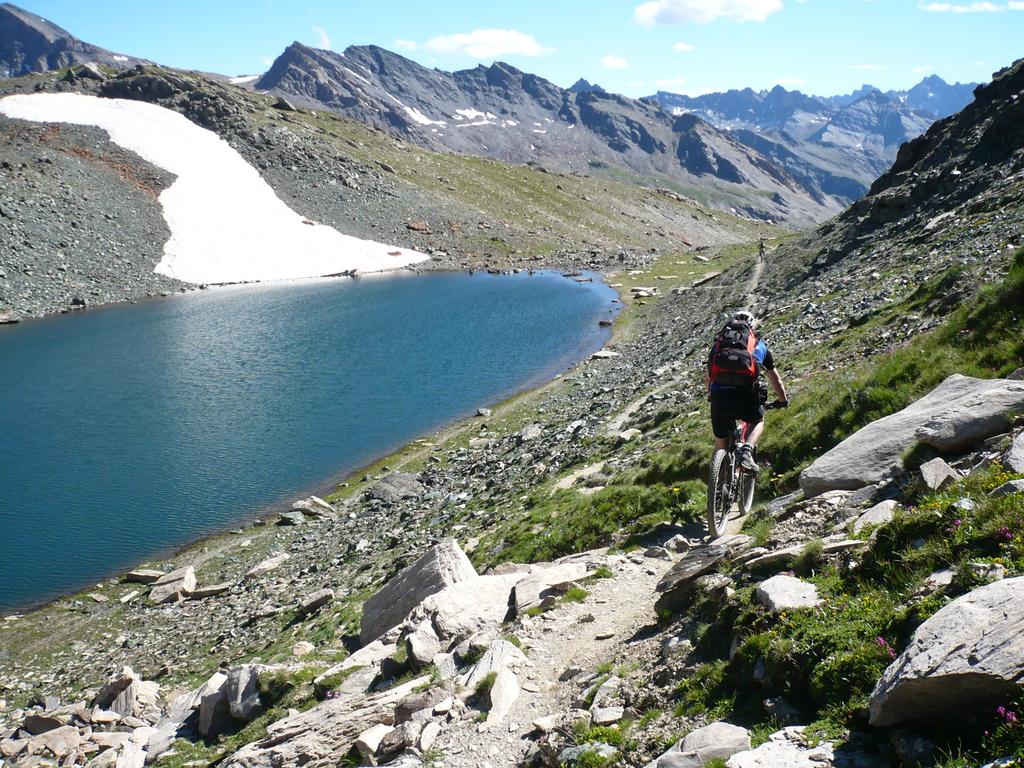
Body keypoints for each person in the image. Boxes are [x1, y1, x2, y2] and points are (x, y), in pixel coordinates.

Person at [706, 310, 788, 472]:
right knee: (758, 420)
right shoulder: (758, 345)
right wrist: (782, 400)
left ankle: (717, 482)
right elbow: (775, 379)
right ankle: (747, 450)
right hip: (746, 396)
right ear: (751, 327)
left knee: (720, 444)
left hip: (719, 398)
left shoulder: (719, 345)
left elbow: (708, 377)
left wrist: (711, 396)